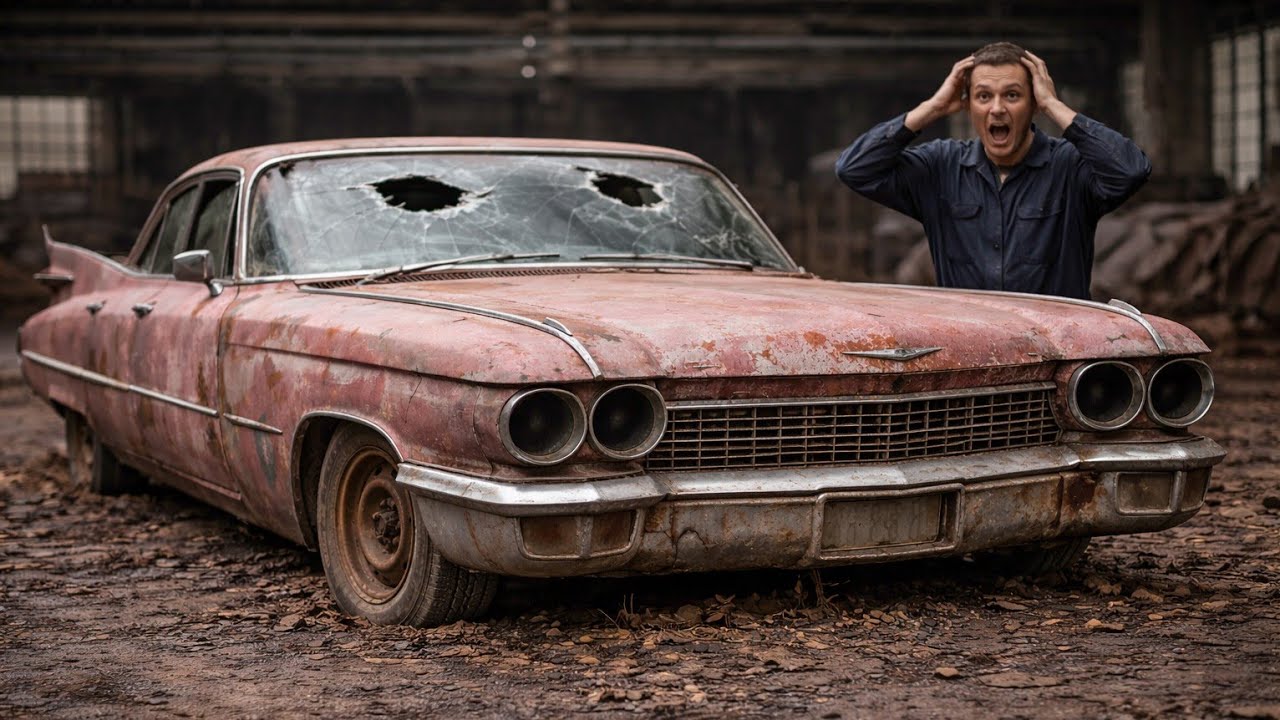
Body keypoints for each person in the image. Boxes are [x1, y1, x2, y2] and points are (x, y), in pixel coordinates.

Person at [835, 42, 1151, 300]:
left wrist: (1054, 105)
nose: (997, 108)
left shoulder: (1070, 167)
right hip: (970, 352)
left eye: (1012, 95)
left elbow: (1131, 170)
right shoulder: (941, 168)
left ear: (1033, 104)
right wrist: (932, 107)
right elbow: (855, 169)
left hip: (1058, 351)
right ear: (968, 105)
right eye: (984, 96)